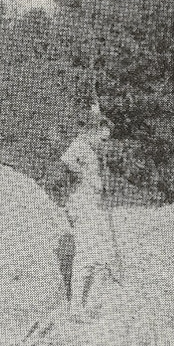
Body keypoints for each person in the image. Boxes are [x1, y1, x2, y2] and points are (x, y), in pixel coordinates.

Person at [60, 103, 118, 311]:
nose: (103, 143)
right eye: (102, 138)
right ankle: (76, 307)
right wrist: (85, 177)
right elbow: (66, 159)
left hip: (89, 203)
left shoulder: (89, 149)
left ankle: (84, 303)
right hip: (81, 204)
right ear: (93, 131)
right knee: (85, 254)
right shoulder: (81, 145)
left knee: (92, 253)